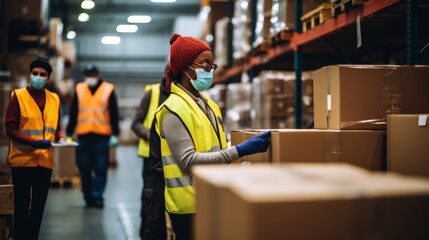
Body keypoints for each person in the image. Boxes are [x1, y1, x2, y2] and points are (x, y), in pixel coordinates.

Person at [153, 33, 271, 240]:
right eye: (204, 65)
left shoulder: (209, 105)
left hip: (211, 198)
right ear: (184, 68)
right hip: (189, 208)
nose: (210, 71)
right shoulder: (172, 111)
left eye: (212, 65)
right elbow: (188, 162)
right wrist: (240, 151)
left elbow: (216, 147)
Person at [5, 57, 65, 240]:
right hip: (22, 162)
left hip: (44, 163)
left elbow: (56, 127)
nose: (38, 77)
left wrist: (60, 137)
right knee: (22, 208)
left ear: (48, 79)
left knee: (38, 208)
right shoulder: (18, 97)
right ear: (30, 75)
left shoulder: (54, 99)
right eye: (35, 73)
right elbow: (10, 129)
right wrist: (33, 142)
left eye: (42, 75)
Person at [66, 64, 119, 208]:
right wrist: (69, 132)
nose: (90, 77)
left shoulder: (108, 89)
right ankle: (88, 194)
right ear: (85, 76)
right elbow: (74, 112)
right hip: (83, 137)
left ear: (98, 74)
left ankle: (97, 196)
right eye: (88, 75)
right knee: (84, 168)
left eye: (93, 74)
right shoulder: (79, 89)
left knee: (101, 168)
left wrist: (115, 134)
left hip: (102, 137)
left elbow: (114, 113)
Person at [131, 75, 170, 240]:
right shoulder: (152, 93)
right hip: (151, 158)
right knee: (151, 199)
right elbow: (136, 122)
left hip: (173, 159)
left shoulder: (183, 95)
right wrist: (150, 135)